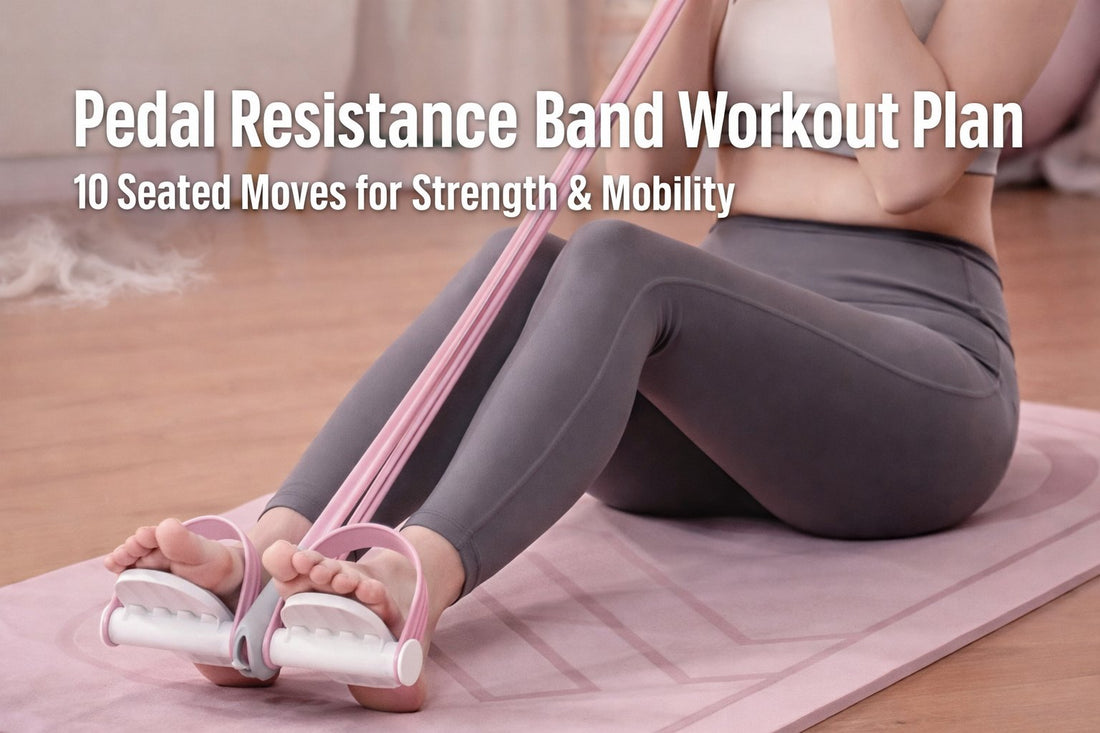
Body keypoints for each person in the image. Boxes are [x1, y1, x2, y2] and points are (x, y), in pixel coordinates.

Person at [104, 0, 1075, 713]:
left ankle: (415, 585)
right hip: (730, 396)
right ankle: (273, 556)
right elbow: (637, 167)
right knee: (524, 262)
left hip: (912, 398)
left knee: (615, 260)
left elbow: (909, 171)